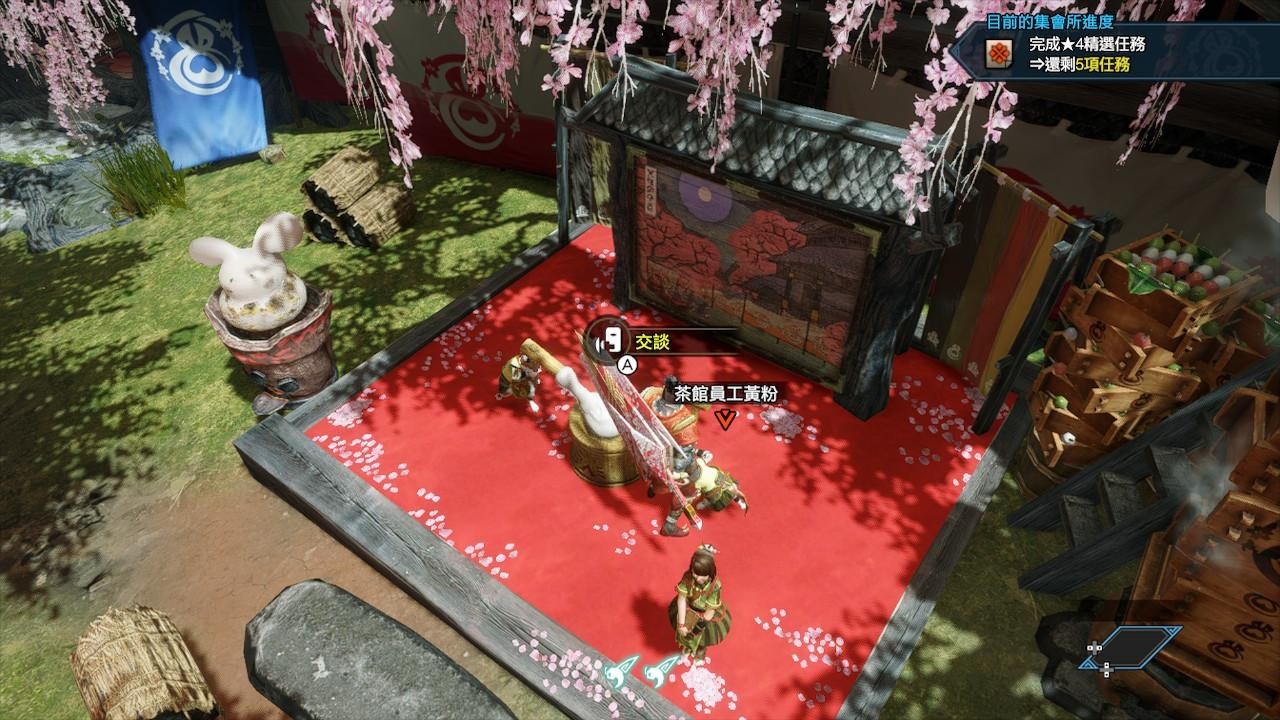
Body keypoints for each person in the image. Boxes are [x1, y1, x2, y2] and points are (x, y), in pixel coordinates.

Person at [668, 545, 731, 660]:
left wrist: (695, 630)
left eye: (703, 576)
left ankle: (700, 652)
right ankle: (687, 648)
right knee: (683, 635)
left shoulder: (715, 586)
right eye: (695, 574)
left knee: (702, 639)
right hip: (688, 609)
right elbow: (681, 599)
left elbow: (710, 612)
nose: (698, 579)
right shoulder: (688, 577)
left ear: (710, 572)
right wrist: (681, 624)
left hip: (705, 617)